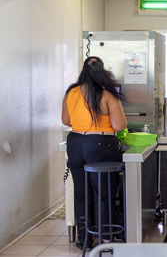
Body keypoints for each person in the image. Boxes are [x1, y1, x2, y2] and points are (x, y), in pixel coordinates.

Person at [62, 56, 127, 250]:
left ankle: (84, 239)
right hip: (100, 145)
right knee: (104, 192)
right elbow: (119, 125)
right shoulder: (107, 94)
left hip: (75, 144)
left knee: (82, 193)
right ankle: (106, 237)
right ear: (103, 71)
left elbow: (66, 121)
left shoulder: (71, 92)